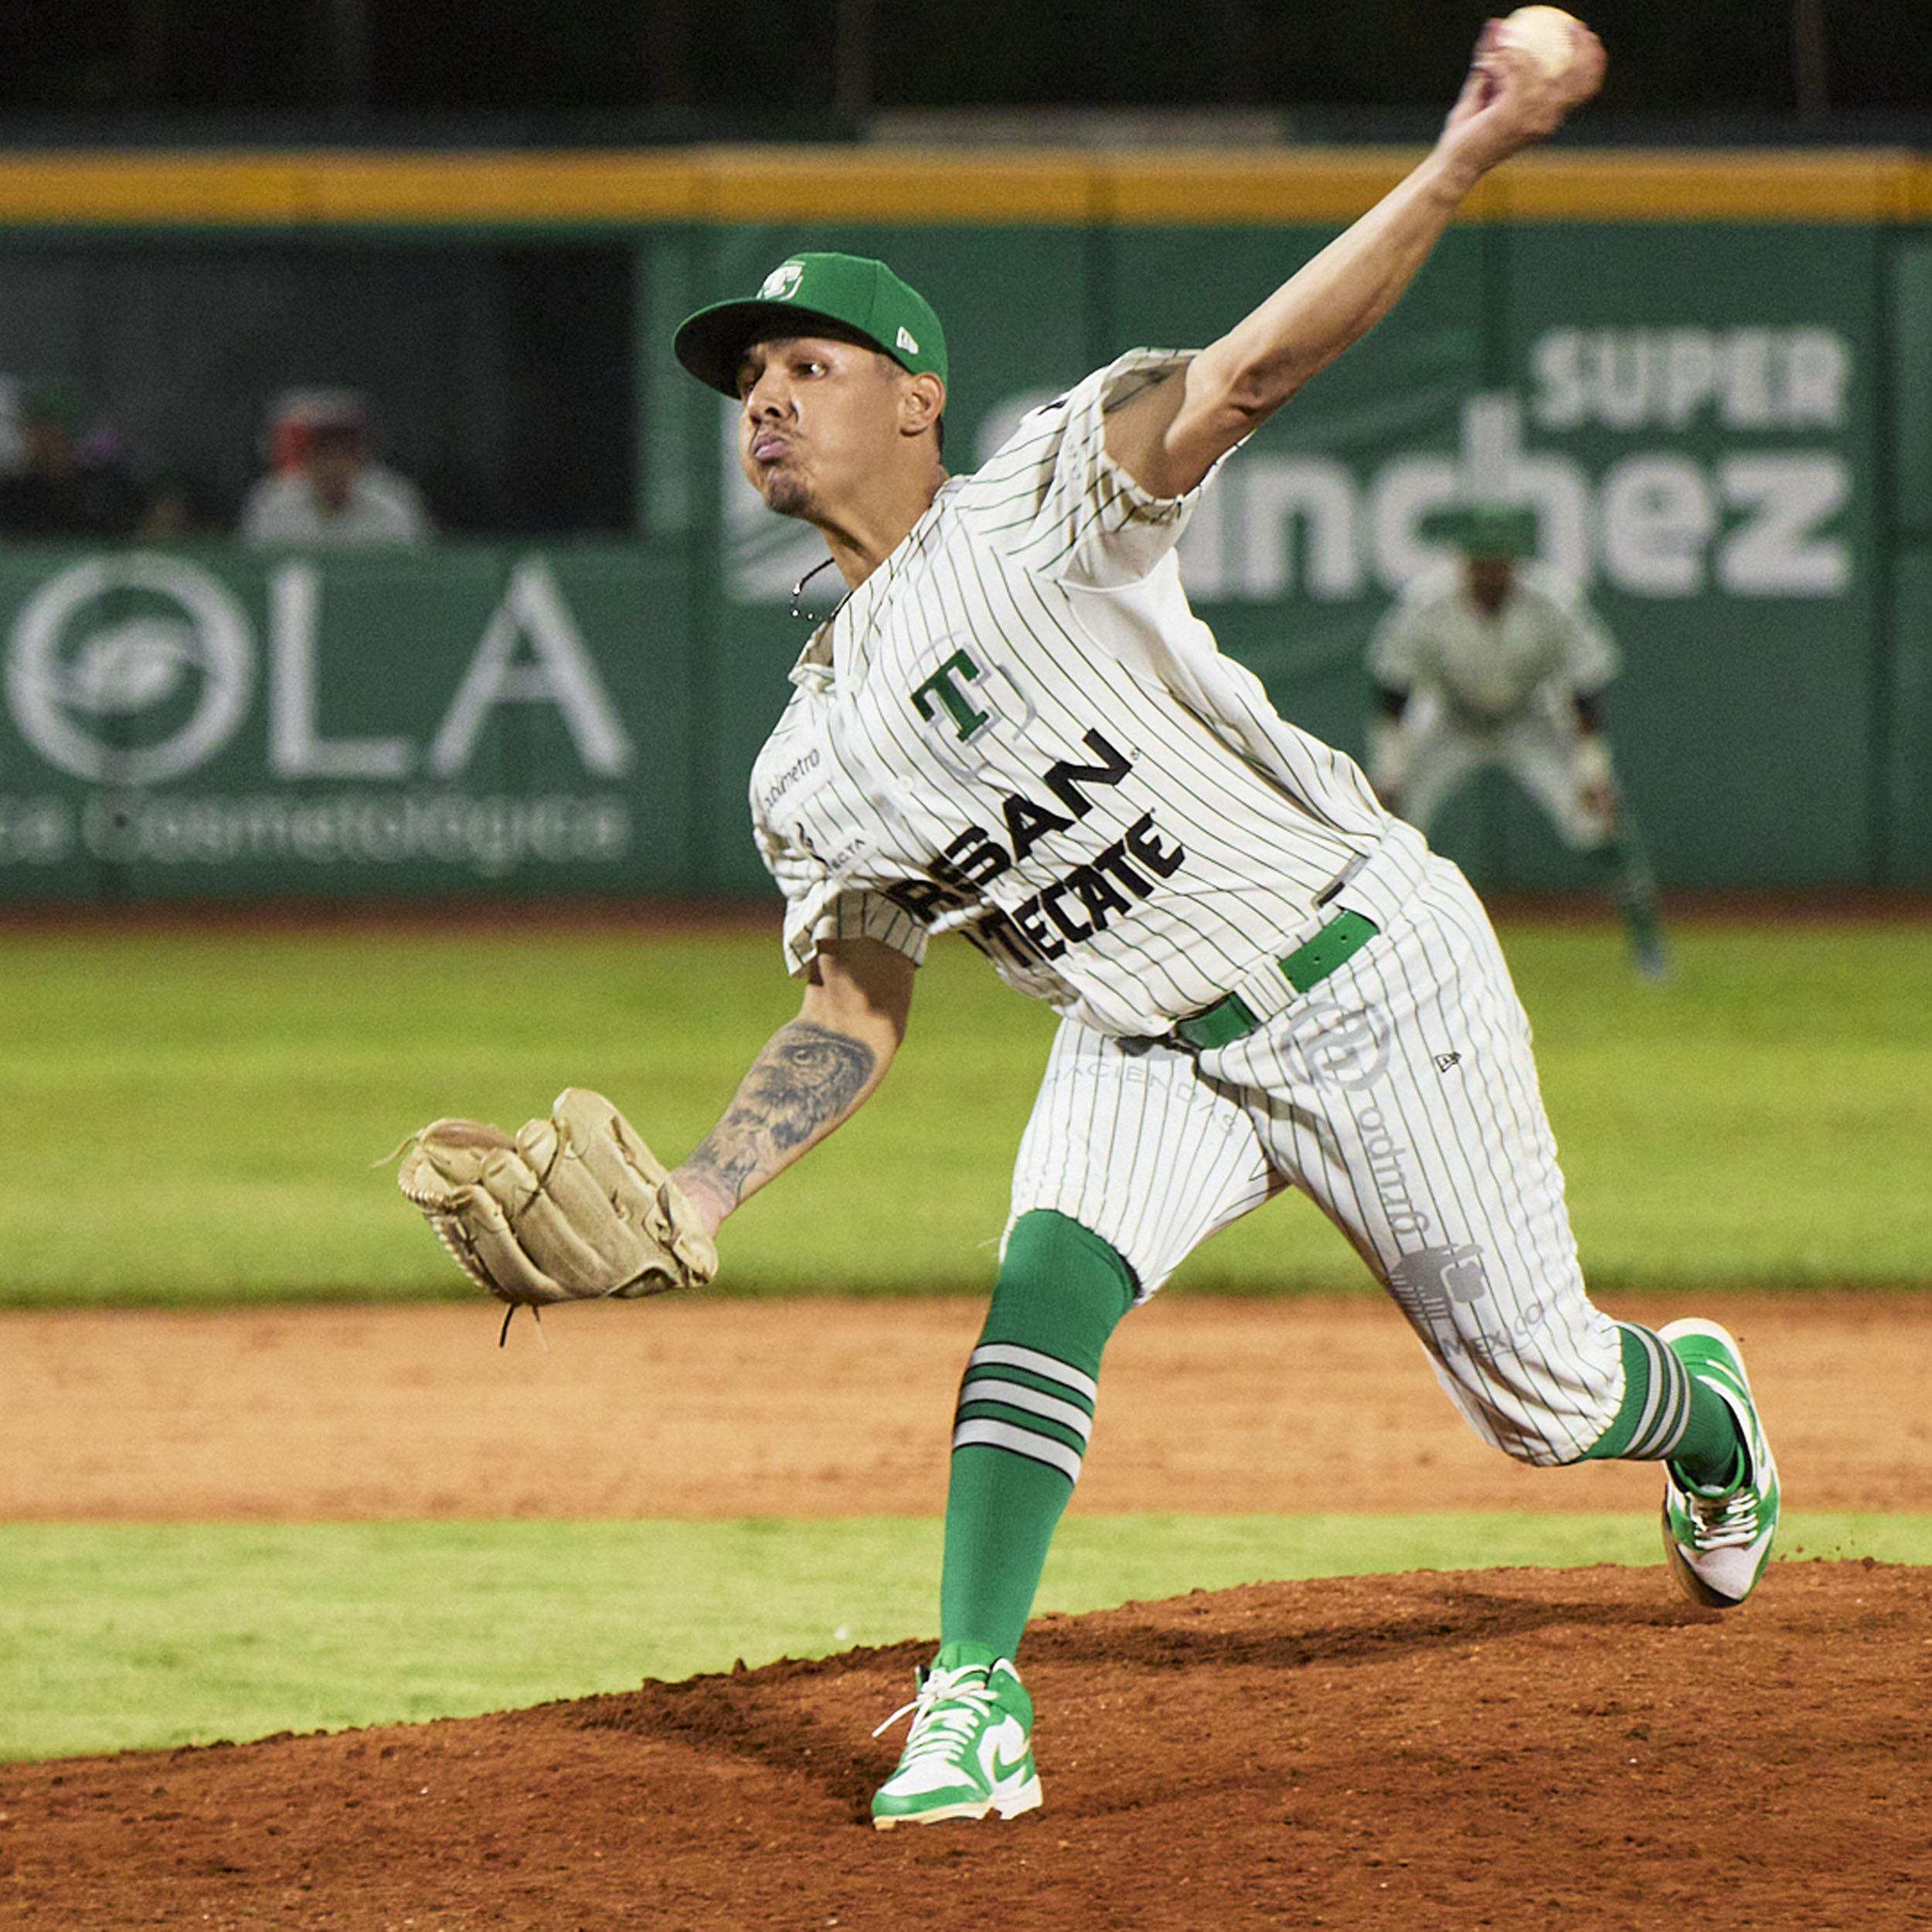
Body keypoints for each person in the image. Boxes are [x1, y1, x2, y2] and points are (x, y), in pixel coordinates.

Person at [652, 17, 1775, 1830]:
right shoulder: (806, 758)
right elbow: (856, 1009)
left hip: (1360, 964)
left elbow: (1249, 375)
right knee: (1035, 1296)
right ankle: (973, 1698)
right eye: (749, 381)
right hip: (1145, 1038)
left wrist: (1459, 162)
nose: (766, 398)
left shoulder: (1035, 504)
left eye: (808, 361)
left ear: (917, 397)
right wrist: (707, 1185)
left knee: (1547, 1403)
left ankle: (1699, 1407)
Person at [1368, 501, 1670, 978]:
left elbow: (1584, 690)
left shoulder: (1554, 600)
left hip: (1530, 716)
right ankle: (1376, 953)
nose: (1491, 569)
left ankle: (1647, 944)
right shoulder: (1426, 602)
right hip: (1450, 715)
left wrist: (1593, 771)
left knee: (1596, 818)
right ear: (1464, 559)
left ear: (1516, 559)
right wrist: (1390, 769)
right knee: (1392, 826)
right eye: (1481, 558)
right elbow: (1394, 690)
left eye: (1500, 558)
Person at [238, 389, 430, 546]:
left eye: (345, 453)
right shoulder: (272, 503)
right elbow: (255, 571)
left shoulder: (393, 502)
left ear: (361, 459)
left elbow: (415, 572)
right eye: (323, 453)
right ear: (308, 460)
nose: (334, 465)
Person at [0, 383, 150, 540]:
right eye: (46, 436)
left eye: (62, 437)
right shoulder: (14, 495)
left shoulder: (104, 490)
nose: (56, 447)